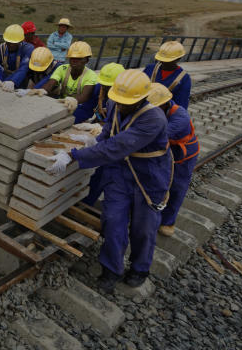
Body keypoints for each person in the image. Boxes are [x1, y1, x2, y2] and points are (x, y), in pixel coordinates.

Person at [47, 69, 173, 292]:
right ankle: (111, 268)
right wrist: (92, 141)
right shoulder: (116, 104)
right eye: (118, 101)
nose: (120, 105)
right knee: (113, 221)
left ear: (142, 98)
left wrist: (74, 155)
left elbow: (118, 146)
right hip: (119, 173)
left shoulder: (154, 119)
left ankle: (140, 267)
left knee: (143, 227)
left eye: (126, 103)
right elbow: (109, 133)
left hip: (148, 176)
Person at [147, 83, 200, 237]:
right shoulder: (157, 111)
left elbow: (157, 136)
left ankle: (168, 221)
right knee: (157, 181)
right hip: (165, 150)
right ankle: (151, 212)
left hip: (183, 155)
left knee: (176, 186)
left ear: (164, 104)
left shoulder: (180, 117)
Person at [80, 62, 125, 207]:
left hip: (118, 141)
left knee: (104, 171)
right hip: (104, 131)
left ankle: (88, 203)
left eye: (109, 86)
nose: (105, 88)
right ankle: (83, 198)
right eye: (104, 85)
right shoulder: (101, 89)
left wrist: (103, 128)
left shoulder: (125, 101)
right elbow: (88, 107)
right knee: (93, 168)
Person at [41, 41, 98, 116]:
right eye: (72, 58)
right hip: (62, 103)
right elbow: (51, 83)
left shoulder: (91, 75)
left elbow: (85, 96)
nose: (74, 61)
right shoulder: (62, 69)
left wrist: (74, 100)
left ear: (86, 60)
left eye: (79, 59)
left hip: (79, 106)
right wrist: (41, 90)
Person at [143, 41, 192, 109]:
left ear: (178, 59)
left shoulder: (184, 79)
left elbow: (181, 105)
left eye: (167, 61)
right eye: (161, 60)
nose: (163, 62)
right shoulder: (149, 69)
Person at [0, 24, 34, 89]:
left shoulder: (28, 49)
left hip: (21, 81)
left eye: (14, 42)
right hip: (2, 81)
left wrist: (13, 81)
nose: (11, 45)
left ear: (21, 41)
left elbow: (24, 68)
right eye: (9, 42)